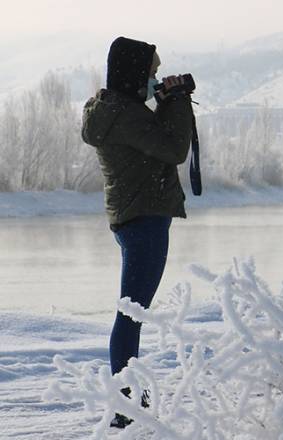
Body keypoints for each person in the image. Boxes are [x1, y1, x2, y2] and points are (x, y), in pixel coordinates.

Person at [81, 36, 193, 429]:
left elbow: (155, 143)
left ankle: (128, 397)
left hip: (132, 217)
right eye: (152, 73)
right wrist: (177, 101)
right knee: (131, 313)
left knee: (132, 311)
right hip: (144, 220)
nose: (156, 78)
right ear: (133, 75)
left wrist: (165, 102)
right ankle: (124, 404)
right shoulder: (127, 116)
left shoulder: (113, 111)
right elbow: (174, 149)